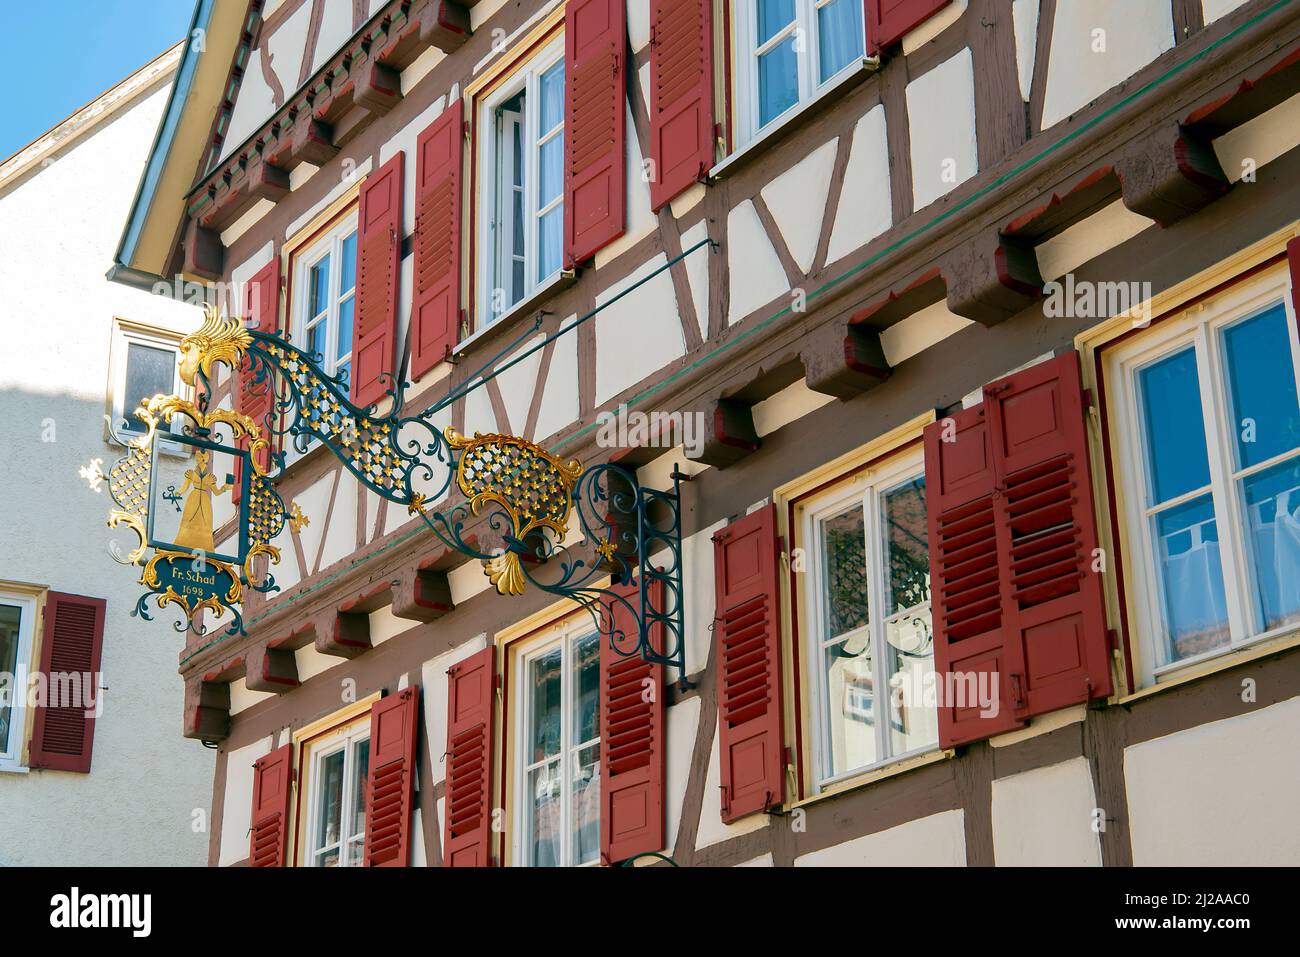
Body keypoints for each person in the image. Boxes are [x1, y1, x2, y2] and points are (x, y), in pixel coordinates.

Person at [174, 450, 229, 553]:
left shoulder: (210, 476)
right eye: (196, 457)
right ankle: (182, 543)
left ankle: (206, 547)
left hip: (204, 500)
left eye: (198, 457)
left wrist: (225, 487)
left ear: (203, 459)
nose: (196, 459)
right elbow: (185, 486)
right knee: (188, 519)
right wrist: (178, 493)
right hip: (193, 498)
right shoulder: (191, 473)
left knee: (205, 522)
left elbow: (216, 492)